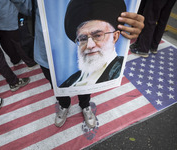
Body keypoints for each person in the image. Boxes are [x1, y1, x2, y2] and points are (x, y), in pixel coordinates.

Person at [31, 0, 144, 128]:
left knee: (87, 89)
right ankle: (64, 105)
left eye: (98, 35)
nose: (89, 46)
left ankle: (85, 105)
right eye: (83, 39)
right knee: (56, 85)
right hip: (45, 48)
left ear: (115, 37)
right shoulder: (70, 80)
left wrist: (131, 30)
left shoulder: (115, 70)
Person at [0, 0, 37, 68]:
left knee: (4, 40)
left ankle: (15, 59)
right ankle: (30, 61)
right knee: (18, 39)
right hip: (6, 12)